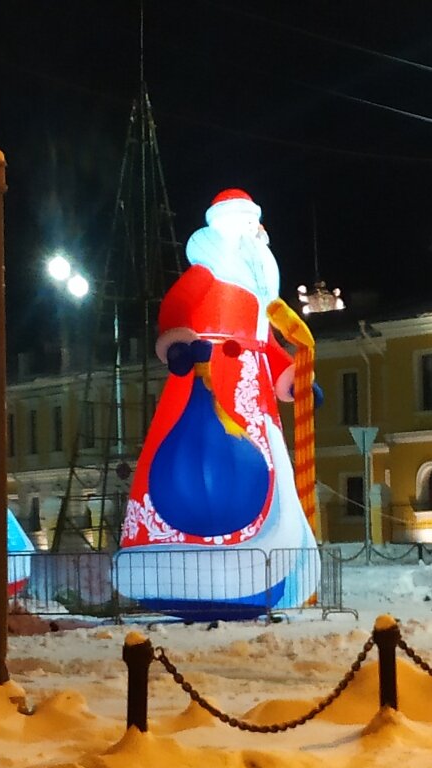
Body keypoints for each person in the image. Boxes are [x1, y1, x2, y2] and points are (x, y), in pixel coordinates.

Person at [118, 189, 319, 618]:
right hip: (208, 375)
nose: (256, 230)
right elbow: (175, 308)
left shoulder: (261, 294)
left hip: (255, 391)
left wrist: (293, 380)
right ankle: (188, 560)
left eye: (257, 223)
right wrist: (179, 343)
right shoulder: (208, 271)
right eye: (248, 222)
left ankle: (267, 566)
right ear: (226, 225)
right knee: (199, 463)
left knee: (260, 472)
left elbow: (266, 344)